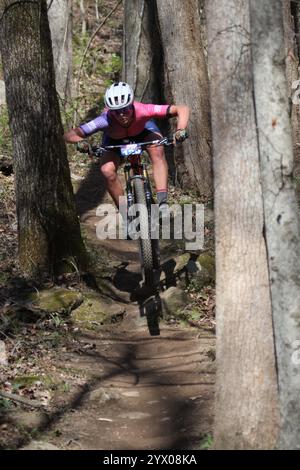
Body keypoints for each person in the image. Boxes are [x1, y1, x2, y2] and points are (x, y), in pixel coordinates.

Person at [63, 82, 189, 215]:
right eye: (116, 112)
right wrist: (82, 142)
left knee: (158, 150)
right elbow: (69, 135)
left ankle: (162, 202)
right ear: (110, 111)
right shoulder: (104, 120)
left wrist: (180, 130)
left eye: (125, 109)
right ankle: (125, 212)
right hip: (114, 140)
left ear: (132, 104)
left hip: (144, 131)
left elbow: (181, 109)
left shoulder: (143, 109)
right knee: (107, 171)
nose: (122, 114)